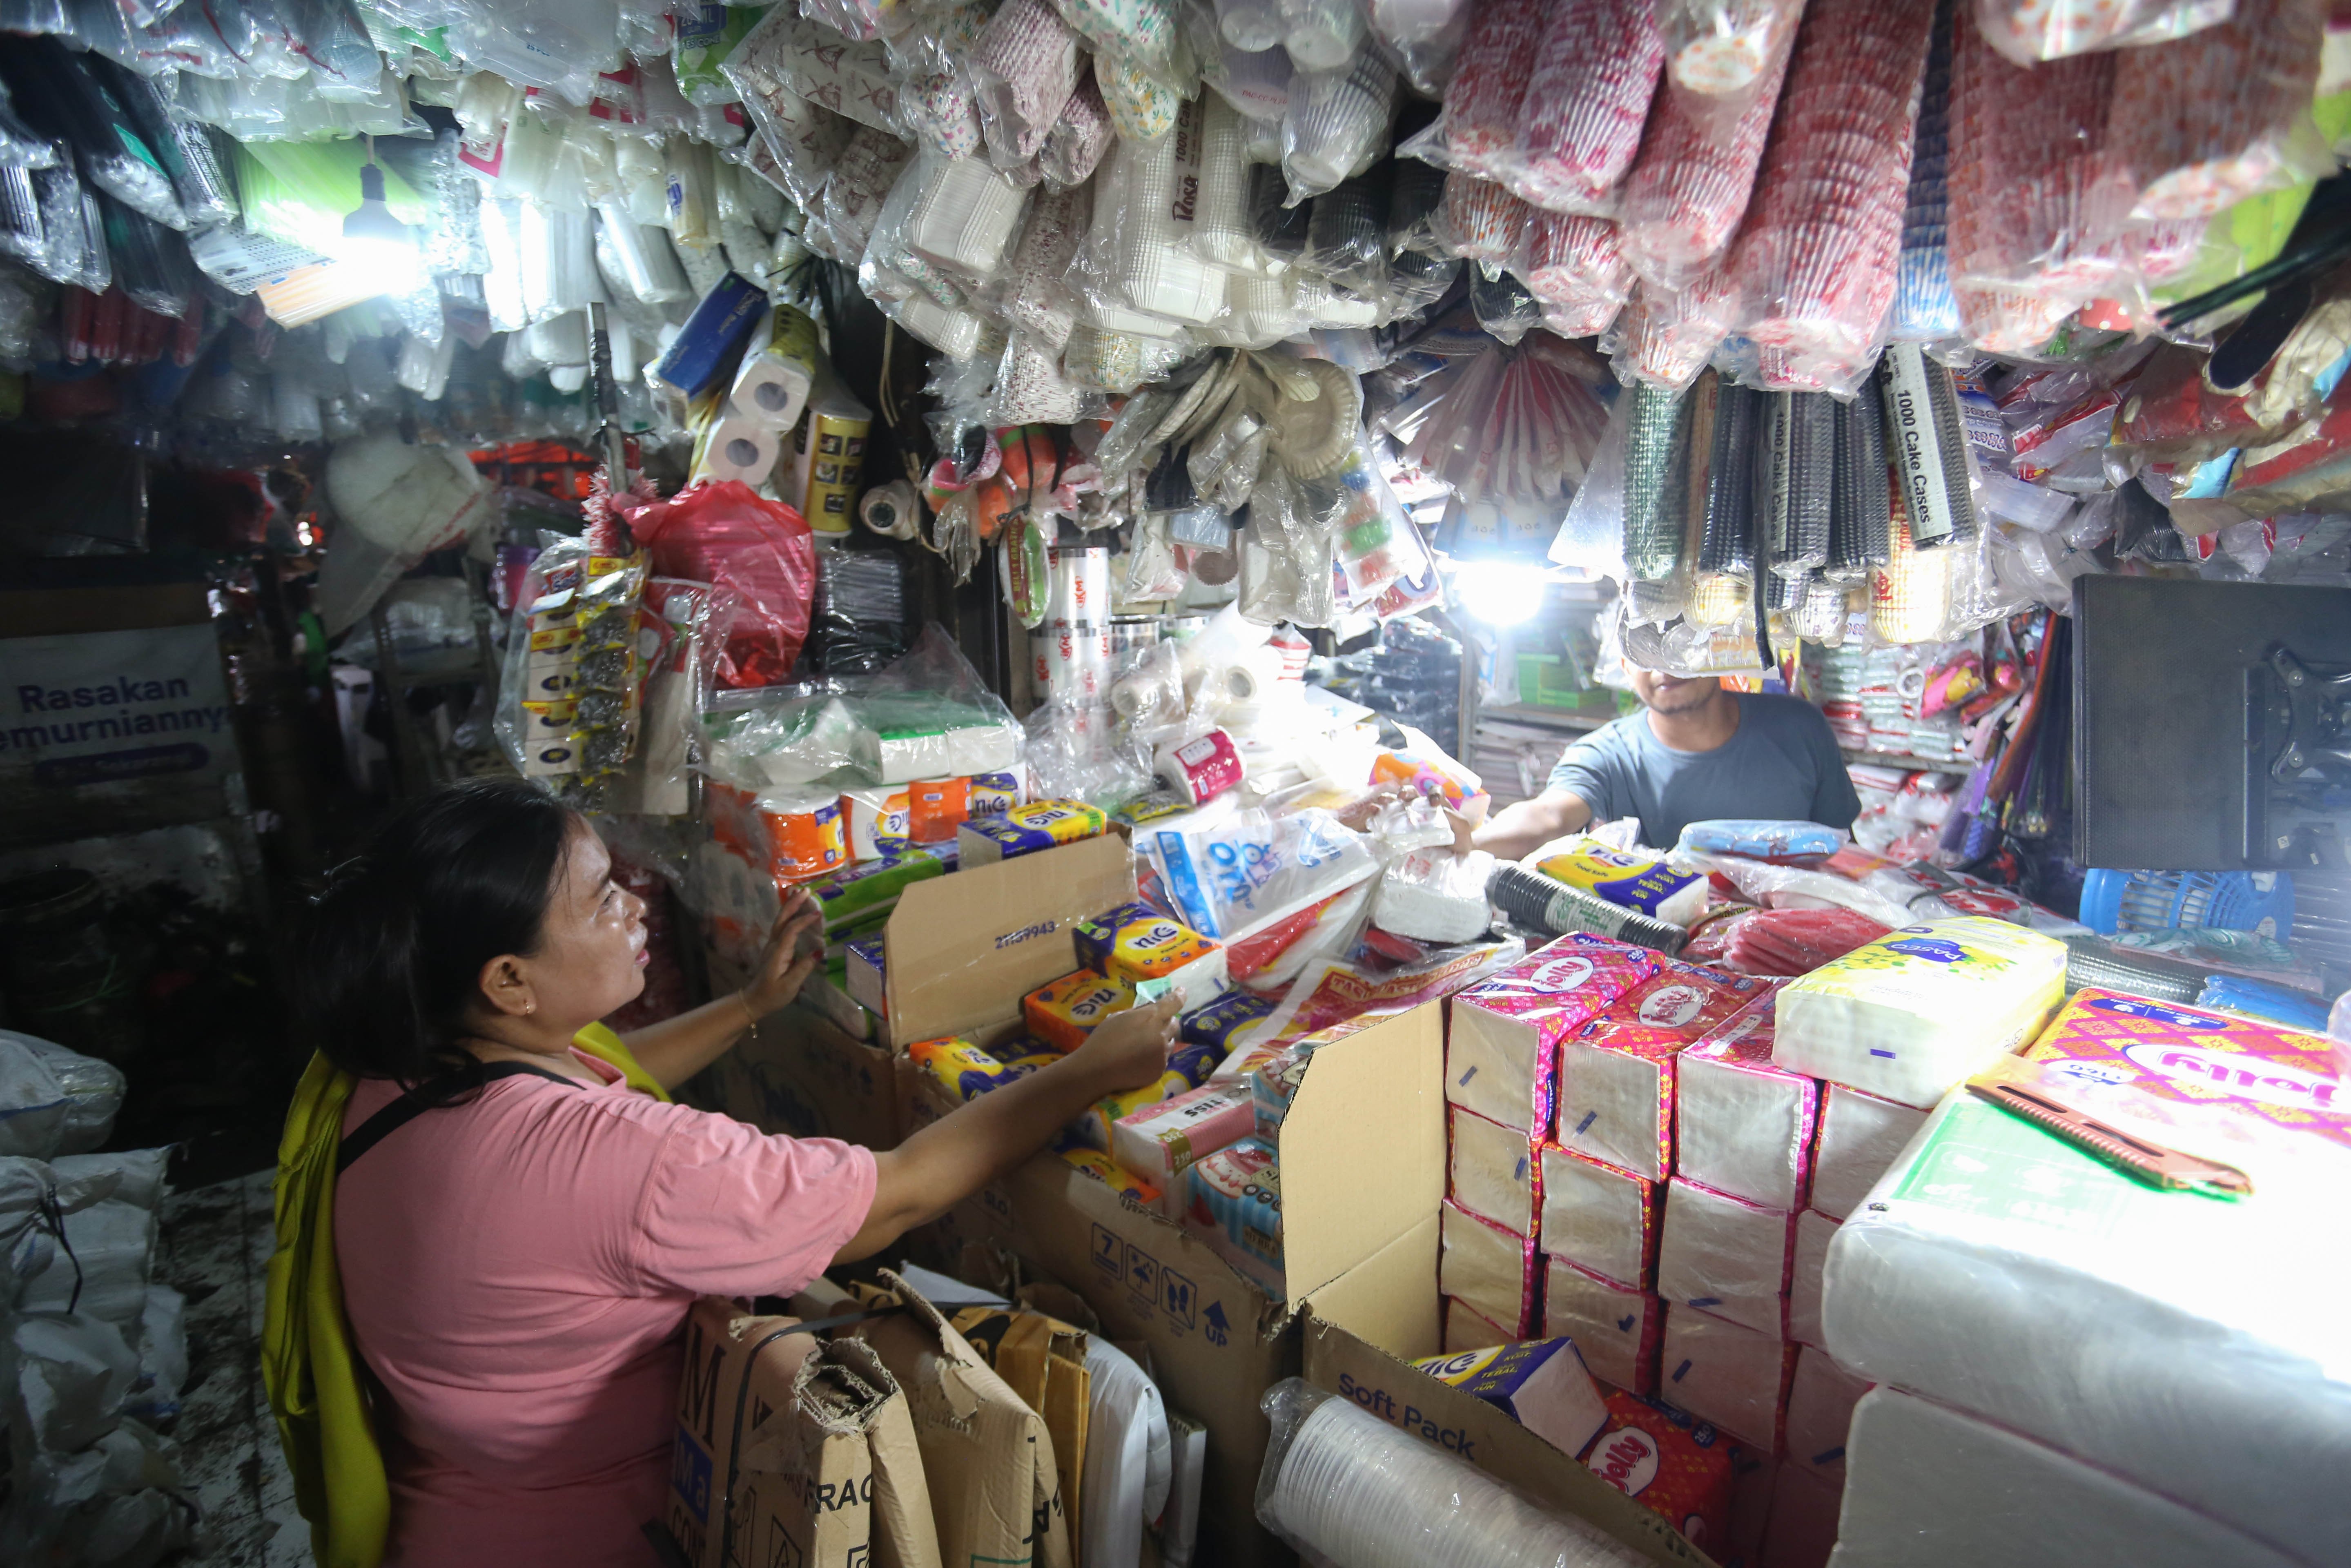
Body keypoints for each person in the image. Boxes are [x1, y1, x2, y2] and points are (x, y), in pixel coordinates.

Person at [272, 778, 1177, 1567]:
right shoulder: (623, 1164)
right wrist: (1089, 1069)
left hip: (445, 1513)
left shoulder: (394, 1067)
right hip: (594, 1540)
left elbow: (598, 1069)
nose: (634, 903)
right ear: (509, 981)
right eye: (598, 902)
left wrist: (749, 1005)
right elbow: (895, 1195)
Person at [1469, 669, 1861, 859]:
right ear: (1624, 665)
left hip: (1793, 950)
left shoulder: (1798, 727)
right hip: (1665, 969)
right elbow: (1547, 815)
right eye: (1643, 651)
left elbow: (1843, 848)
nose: (1661, 667)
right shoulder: (1607, 754)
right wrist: (1470, 840)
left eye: (1674, 642)